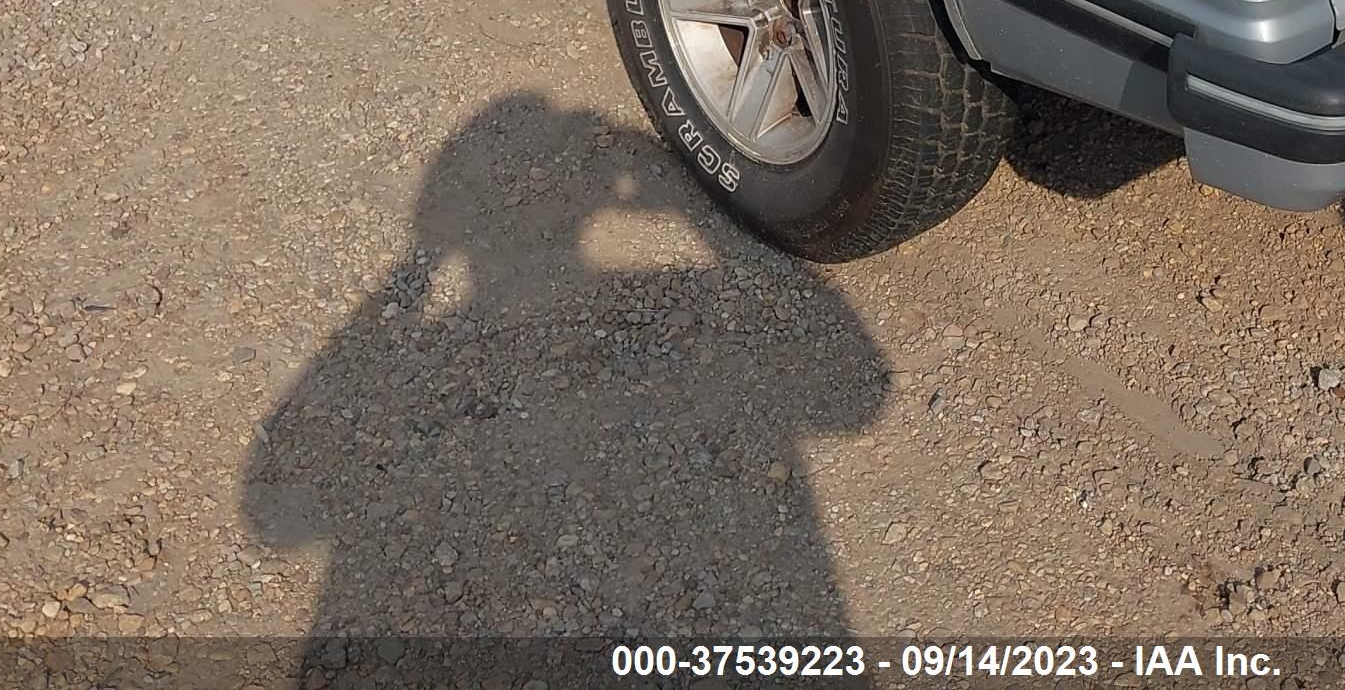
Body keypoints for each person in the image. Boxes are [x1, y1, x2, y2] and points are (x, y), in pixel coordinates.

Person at [246, 94, 888, 682]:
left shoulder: (459, 328)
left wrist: (416, 266)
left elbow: (275, 517)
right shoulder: (660, 291)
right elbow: (858, 400)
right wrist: (706, 230)